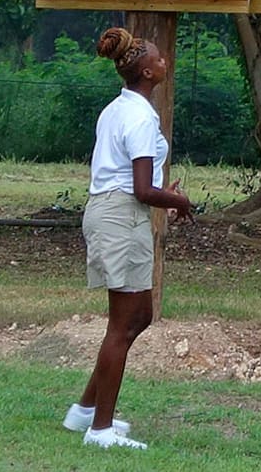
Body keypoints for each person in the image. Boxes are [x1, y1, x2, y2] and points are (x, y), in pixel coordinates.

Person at [66, 26, 195, 450]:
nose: (164, 62)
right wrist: (177, 200)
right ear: (146, 73)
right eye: (158, 59)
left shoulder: (116, 109)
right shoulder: (139, 116)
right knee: (123, 324)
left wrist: (164, 195)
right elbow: (142, 188)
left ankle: (85, 409)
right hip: (122, 215)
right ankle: (100, 430)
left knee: (137, 316)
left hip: (116, 213)